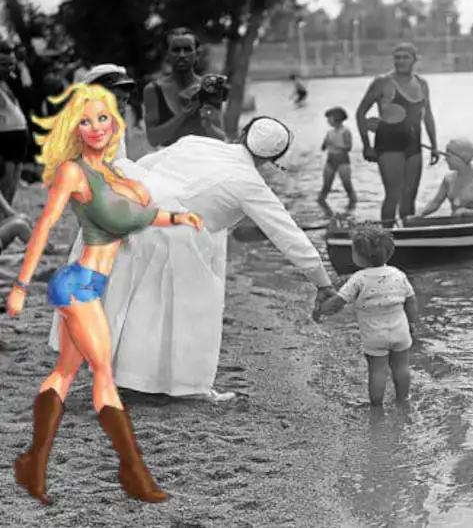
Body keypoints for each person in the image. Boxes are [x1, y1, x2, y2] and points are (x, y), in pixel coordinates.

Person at [7, 83, 205, 504]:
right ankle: (134, 473)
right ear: (74, 129)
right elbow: (43, 226)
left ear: (114, 121)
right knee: (102, 376)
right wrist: (21, 285)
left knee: (64, 373)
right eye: (84, 121)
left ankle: (33, 463)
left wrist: (178, 216)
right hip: (78, 285)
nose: (95, 127)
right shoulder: (74, 172)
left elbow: (142, 215)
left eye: (102, 118)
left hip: (91, 284)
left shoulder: (113, 171)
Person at [47, 116, 339, 403]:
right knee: (188, 307)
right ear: (274, 160)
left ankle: (125, 376)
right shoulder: (251, 183)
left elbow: (147, 165)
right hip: (165, 232)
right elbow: (289, 235)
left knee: (124, 298)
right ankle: (175, 385)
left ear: (241, 133)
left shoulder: (197, 142)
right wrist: (323, 285)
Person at [314, 226, 417, 407]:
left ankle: (376, 406)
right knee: (401, 367)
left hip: (374, 335)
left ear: (357, 256)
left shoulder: (359, 278)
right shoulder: (398, 274)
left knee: (377, 370)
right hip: (400, 331)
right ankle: (403, 400)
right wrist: (412, 323)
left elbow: (339, 301)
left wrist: (321, 310)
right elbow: (411, 300)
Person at [356, 42, 439, 227]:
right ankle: (385, 236)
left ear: (414, 60)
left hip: (414, 144)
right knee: (393, 194)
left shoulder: (422, 84)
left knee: (410, 194)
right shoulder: (382, 82)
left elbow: (428, 116)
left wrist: (434, 145)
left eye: (405, 57)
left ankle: (408, 235)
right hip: (389, 144)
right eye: (397, 57)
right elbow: (360, 112)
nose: (400, 61)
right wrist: (367, 146)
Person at [143, 28, 224, 147]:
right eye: (176, 50)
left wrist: (208, 125)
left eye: (187, 50)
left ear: (197, 54)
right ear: (167, 55)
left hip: (204, 157)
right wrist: (184, 114)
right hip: (168, 159)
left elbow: (221, 137)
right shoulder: (154, 90)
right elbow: (153, 139)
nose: (182, 55)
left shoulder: (210, 87)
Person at [411, 138, 473, 219]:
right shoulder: (448, 179)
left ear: (460, 158)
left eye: (448, 156)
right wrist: (421, 214)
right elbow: (436, 202)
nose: (446, 159)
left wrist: (467, 211)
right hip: (455, 222)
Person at [0, 43, 30, 216]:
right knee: (4, 187)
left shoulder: (8, 83)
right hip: (5, 141)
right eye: (3, 64)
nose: (8, 68)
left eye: (10, 64)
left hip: (17, 139)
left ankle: (5, 229)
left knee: (12, 188)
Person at [319, 107, 356, 209]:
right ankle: (321, 203)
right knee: (326, 186)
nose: (328, 121)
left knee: (347, 185)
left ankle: (352, 205)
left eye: (329, 119)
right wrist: (325, 145)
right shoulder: (329, 132)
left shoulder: (345, 131)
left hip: (342, 160)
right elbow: (323, 146)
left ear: (337, 118)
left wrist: (335, 145)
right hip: (330, 160)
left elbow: (348, 147)